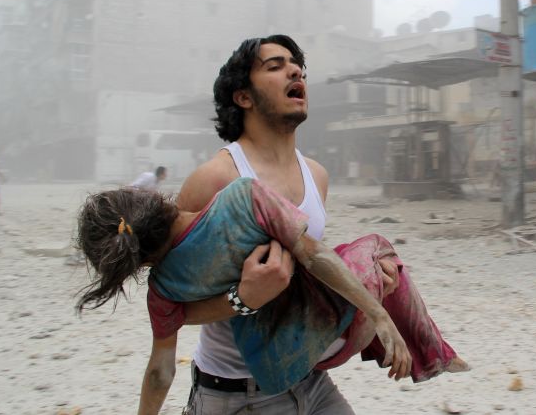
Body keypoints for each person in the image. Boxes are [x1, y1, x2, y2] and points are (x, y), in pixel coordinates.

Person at [155, 35, 407, 414]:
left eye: (297, 66)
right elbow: (170, 310)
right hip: (235, 394)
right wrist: (243, 298)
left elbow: (309, 271)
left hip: (310, 380)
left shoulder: (317, 175)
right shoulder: (215, 179)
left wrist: (370, 285)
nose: (294, 70)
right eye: (275, 66)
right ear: (243, 96)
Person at [76, 177, 466, 414]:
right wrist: (381, 316)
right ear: (148, 199)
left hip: (284, 366)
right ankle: (431, 355)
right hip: (332, 340)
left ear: (137, 262)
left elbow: (161, 371)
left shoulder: (161, 292)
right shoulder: (242, 198)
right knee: (376, 247)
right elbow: (314, 255)